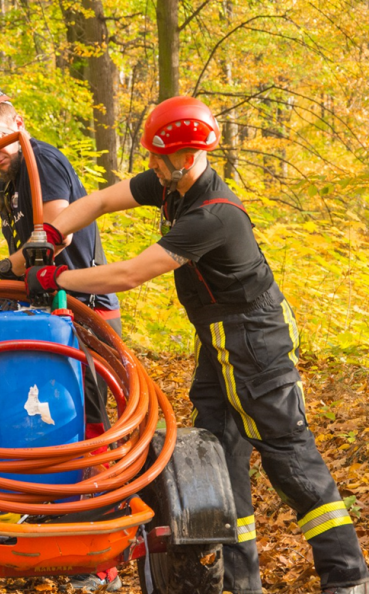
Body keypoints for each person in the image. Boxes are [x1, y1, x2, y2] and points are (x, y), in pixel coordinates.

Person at [25, 96, 369, 594]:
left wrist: (58, 275)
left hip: (255, 338)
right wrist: (50, 231)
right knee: (218, 451)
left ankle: (348, 578)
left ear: (185, 158)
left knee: (287, 455)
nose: (149, 165)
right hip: (219, 339)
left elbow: (129, 274)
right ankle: (239, 581)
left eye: (157, 157)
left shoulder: (213, 214)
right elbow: (99, 200)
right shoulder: (171, 186)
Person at [0, 87, 122, 593]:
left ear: (16, 121)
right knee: (41, 417)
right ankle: (45, 517)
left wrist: (8, 268)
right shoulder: (6, 182)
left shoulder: (39, 160)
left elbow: (55, 230)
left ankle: (97, 553)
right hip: (46, 313)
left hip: (81, 308)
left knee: (86, 424)